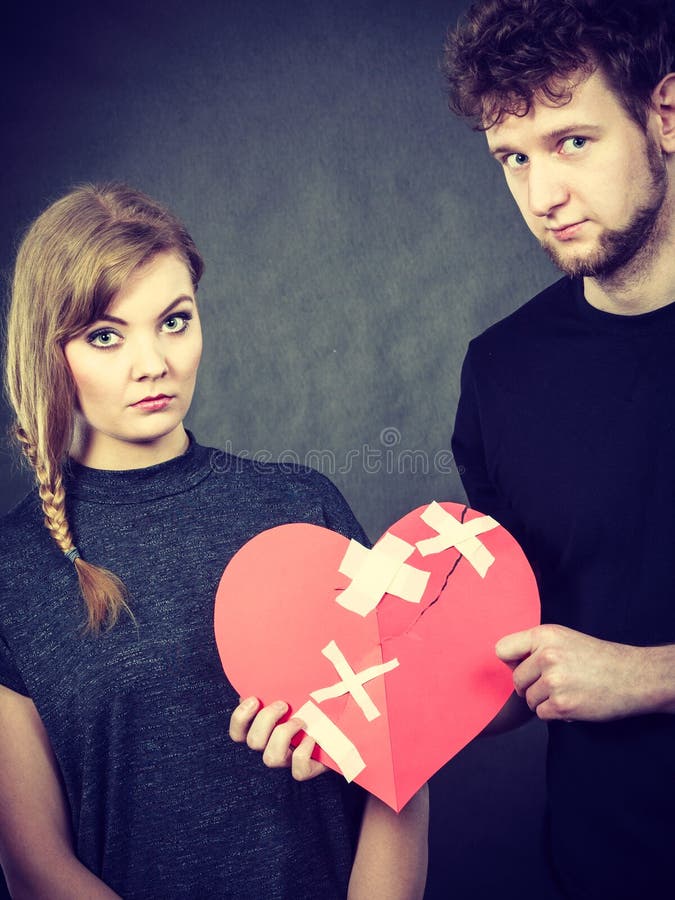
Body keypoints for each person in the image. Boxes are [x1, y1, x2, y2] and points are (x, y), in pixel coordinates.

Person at [0, 183, 428, 898]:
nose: (153, 363)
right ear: (51, 349)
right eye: (106, 335)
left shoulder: (299, 507)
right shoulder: (14, 571)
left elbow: (401, 768)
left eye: (174, 321)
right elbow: (35, 864)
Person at [442, 0, 675, 897]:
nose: (541, 196)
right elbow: (513, 664)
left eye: (571, 141)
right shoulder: (500, 373)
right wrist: (361, 698)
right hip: (596, 864)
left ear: (663, 115)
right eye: (513, 157)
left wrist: (650, 675)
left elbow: (606, 674)